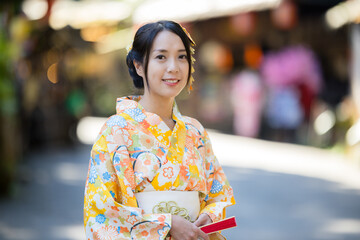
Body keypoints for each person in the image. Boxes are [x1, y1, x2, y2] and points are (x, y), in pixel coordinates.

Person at [84, 20, 235, 240]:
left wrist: (210, 216)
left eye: (181, 56)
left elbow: (217, 194)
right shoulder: (116, 130)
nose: (174, 67)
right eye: (161, 57)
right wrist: (167, 225)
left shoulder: (195, 131)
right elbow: (100, 211)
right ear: (138, 65)